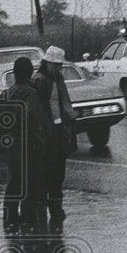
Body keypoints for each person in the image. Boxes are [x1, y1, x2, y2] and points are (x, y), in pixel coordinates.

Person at [0, 56, 44, 230]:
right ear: (30, 73)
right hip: (28, 143)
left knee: (14, 182)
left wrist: (3, 135)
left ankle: (10, 217)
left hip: (12, 144)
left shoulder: (9, 92)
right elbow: (32, 116)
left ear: (15, 73)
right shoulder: (30, 92)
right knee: (30, 182)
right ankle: (28, 219)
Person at [33, 45, 77, 231]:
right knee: (46, 173)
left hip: (59, 130)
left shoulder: (57, 79)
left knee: (58, 174)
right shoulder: (40, 80)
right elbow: (38, 109)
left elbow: (64, 103)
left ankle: (56, 209)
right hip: (47, 133)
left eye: (60, 66)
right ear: (47, 64)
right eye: (56, 65)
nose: (59, 69)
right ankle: (43, 210)